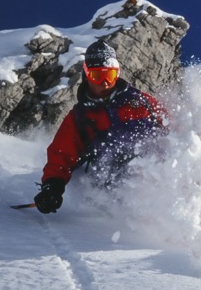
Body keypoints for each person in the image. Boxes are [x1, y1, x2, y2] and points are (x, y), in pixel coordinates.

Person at [34, 40, 167, 214]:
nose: (104, 82)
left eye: (110, 75)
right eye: (97, 76)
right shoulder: (80, 117)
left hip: (158, 177)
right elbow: (61, 154)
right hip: (114, 189)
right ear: (87, 76)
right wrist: (52, 187)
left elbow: (174, 127)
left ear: (117, 74)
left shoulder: (141, 101)